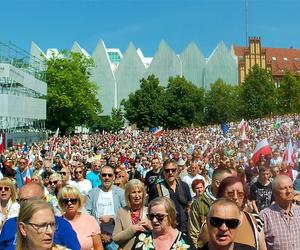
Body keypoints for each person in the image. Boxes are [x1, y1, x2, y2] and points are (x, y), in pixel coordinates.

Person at [0, 182, 81, 250]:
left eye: (30, 201)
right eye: (21, 200)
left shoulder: (62, 225)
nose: (49, 231)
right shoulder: (9, 224)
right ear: (23, 228)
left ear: (44, 200)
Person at [199, 176, 266, 250]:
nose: (235, 197)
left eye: (240, 194)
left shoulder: (254, 219)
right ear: (221, 195)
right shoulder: (210, 225)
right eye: (230, 194)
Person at [188, 168, 232, 248]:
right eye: (228, 182)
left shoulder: (232, 201)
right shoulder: (199, 204)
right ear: (217, 183)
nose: (232, 185)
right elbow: (194, 233)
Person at [86, 166, 126, 250]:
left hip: (116, 237)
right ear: (100, 176)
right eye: (104, 175)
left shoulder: (121, 193)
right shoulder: (92, 193)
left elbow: (126, 214)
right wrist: (100, 234)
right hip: (97, 236)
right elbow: (87, 215)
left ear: (114, 177)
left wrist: (112, 218)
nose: (107, 178)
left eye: (109, 175)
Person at [148, 159, 192, 233]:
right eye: (167, 170)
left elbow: (189, 205)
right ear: (163, 172)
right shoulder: (156, 188)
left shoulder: (184, 186)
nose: (170, 173)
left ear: (177, 171)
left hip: (184, 228)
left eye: (173, 170)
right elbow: (151, 210)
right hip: (165, 230)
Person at [260, 175, 300, 250]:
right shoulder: (265, 216)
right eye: (283, 188)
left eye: (290, 187)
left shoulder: (299, 211)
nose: (288, 191)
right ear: (274, 193)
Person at [58, 185, 103, 250]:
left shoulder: (90, 220)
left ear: (79, 202)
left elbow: (98, 247)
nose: (69, 203)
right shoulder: (58, 223)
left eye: (73, 200)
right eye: (66, 201)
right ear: (61, 203)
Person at [112, 179, 151, 250]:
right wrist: (133, 229)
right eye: (133, 192)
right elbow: (115, 238)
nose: (137, 195)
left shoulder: (150, 211)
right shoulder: (122, 212)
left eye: (139, 192)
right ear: (128, 195)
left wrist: (150, 227)